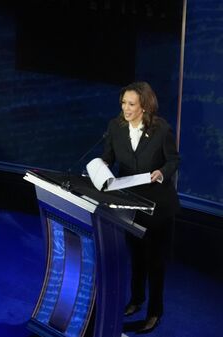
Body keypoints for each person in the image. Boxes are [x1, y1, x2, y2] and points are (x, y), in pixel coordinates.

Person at [101, 81, 180, 334]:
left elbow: (173, 160)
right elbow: (109, 157)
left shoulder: (161, 129)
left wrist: (162, 172)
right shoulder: (115, 126)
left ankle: (155, 312)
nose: (125, 108)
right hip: (130, 203)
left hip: (158, 207)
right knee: (136, 257)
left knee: (155, 262)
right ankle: (136, 300)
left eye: (131, 104)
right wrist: (99, 166)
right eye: (123, 103)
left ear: (144, 106)